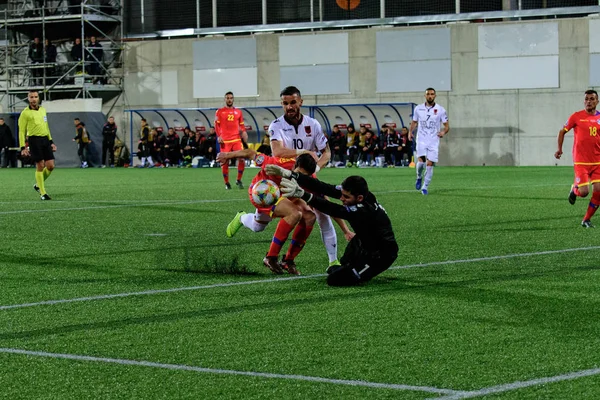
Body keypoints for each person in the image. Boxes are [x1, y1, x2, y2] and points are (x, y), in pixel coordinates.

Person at [266, 165, 398, 286]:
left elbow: (333, 209)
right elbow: (323, 187)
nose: (341, 199)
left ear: (359, 198)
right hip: (363, 241)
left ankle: (365, 270)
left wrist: (303, 195)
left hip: (381, 254)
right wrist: (291, 174)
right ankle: (355, 268)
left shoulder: (363, 210)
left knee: (335, 280)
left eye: (346, 197)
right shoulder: (359, 194)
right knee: (341, 267)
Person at [218, 149, 317, 275]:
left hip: (287, 193)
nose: (301, 177)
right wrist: (227, 155)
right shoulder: (276, 163)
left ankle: (288, 260)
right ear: (295, 165)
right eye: (299, 173)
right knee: (293, 214)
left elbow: (322, 197)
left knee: (309, 217)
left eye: (305, 176)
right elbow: (250, 153)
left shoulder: (310, 176)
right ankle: (270, 257)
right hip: (263, 192)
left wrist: (345, 229)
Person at [555, 89, 600, 228]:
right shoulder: (576, 116)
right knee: (584, 192)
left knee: (599, 192)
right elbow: (562, 131)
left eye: (592, 99)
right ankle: (574, 189)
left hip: (598, 161)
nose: (589, 101)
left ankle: (586, 220)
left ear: (597, 102)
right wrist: (559, 149)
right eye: (586, 99)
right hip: (581, 161)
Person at [409, 87, 449, 195]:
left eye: (432, 94)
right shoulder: (418, 108)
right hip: (421, 138)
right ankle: (418, 177)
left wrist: (443, 132)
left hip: (433, 140)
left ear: (435, 96)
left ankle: (425, 187)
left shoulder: (441, 110)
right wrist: (410, 132)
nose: (430, 96)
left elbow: (446, 126)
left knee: (430, 163)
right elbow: (414, 122)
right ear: (425, 96)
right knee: (421, 161)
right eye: (428, 94)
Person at [19, 89, 57, 200]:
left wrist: (51, 142)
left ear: (38, 98)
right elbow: (21, 131)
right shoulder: (25, 113)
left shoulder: (43, 110)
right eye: (31, 97)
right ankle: (43, 193)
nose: (34, 99)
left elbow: (46, 127)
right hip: (34, 140)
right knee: (40, 165)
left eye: (35, 97)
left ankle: (37, 185)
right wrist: (23, 147)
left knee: (50, 166)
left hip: (45, 139)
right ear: (28, 98)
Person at [215, 91, 248, 189]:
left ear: (233, 99)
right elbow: (217, 125)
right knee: (225, 162)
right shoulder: (220, 111)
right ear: (225, 99)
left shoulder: (238, 112)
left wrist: (244, 132)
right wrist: (219, 136)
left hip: (236, 140)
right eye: (227, 98)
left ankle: (239, 180)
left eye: (231, 98)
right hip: (225, 141)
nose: (229, 99)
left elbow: (241, 125)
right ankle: (226, 183)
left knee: (241, 159)